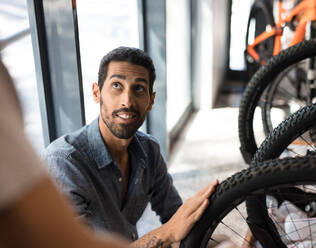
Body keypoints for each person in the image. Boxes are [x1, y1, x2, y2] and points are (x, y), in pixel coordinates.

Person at [0, 57, 236, 247]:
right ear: (96, 92)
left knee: (224, 244)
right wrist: (168, 233)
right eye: (116, 86)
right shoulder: (65, 162)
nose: (127, 100)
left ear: (151, 101)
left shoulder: (148, 150)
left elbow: (176, 215)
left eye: (139, 89)